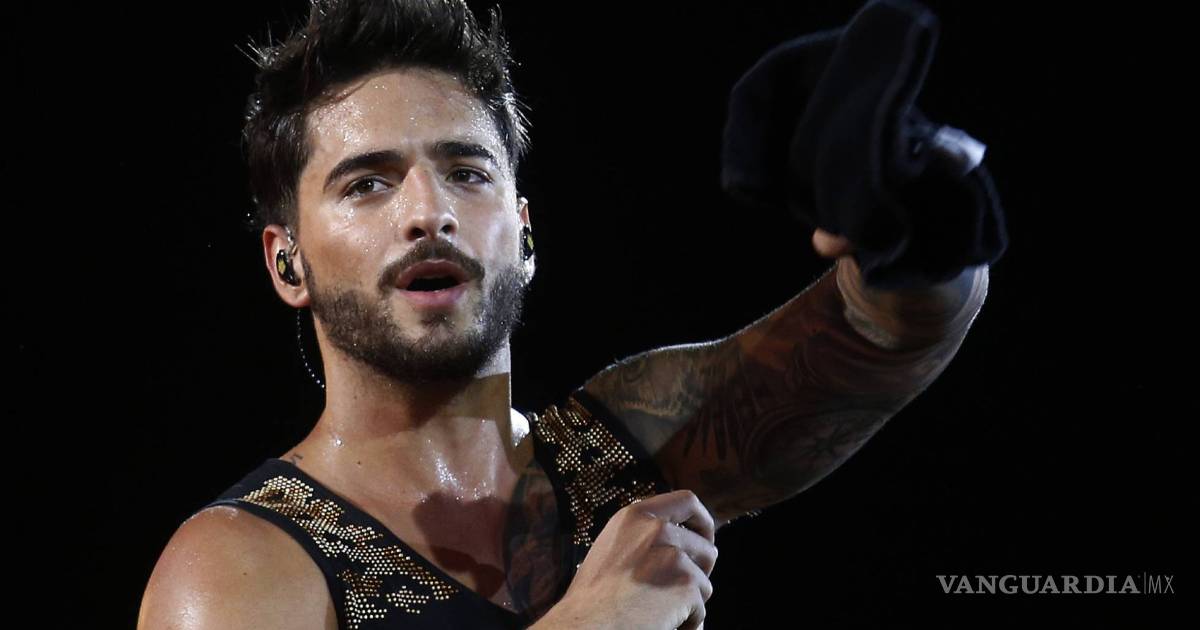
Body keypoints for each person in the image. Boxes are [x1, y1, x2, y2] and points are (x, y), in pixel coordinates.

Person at [137, 0, 992, 628]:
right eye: (367, 183)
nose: (429, 212)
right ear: (287, 262)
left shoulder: (621, 452)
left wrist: (913, 216)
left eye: (467, 172)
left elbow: (882, 334)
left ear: (524, 234)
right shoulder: (235, 569)